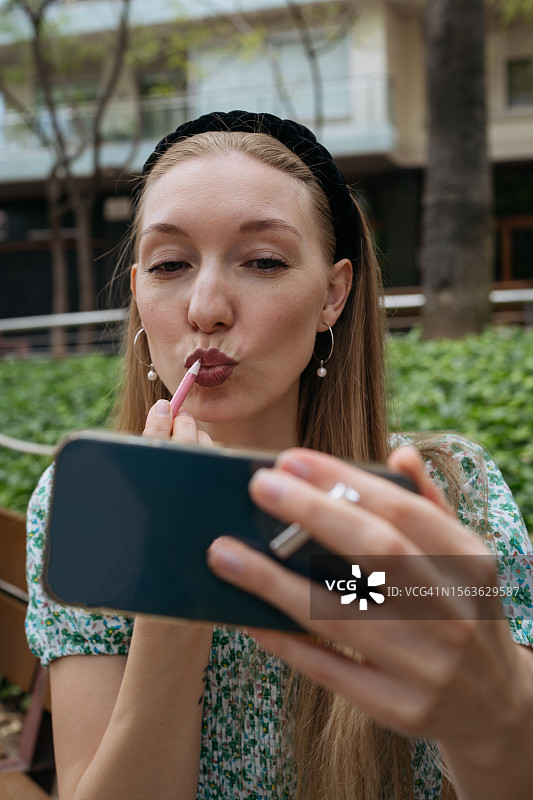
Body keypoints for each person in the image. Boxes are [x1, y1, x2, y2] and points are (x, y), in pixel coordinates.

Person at [25, 110, 533, 800]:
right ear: (140, 293)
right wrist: (173, 598)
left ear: (332, 294)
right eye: (171, 265)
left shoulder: (444, 496)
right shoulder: (92, 504)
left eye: (263, 261)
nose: (205, 308)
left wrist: (489, 721)